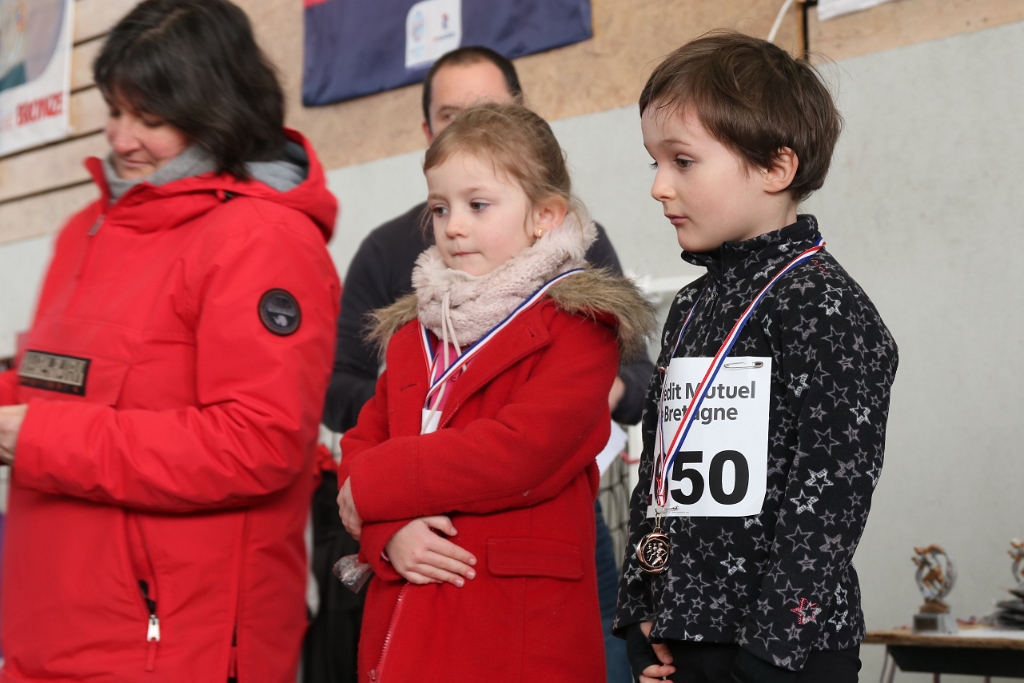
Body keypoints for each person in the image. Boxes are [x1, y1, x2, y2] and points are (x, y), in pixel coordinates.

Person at [0, 1, 340, 680]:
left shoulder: (262, 239)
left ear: (217, 110)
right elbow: (59, 379)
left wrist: (37, 438)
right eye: (114, 111)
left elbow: (257, 442)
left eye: (150, 120)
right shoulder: (86, 228)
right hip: (49, 628)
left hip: (173, 645)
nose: (121, 138)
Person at [312, 46, 649, 683]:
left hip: (513, 625)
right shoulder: (415, 329)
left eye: (478, 205)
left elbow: (520, 452)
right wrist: (386, 534)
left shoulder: (579, 322)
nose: (454, 227)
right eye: (440, 208)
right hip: (411, 610)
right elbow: (363, 434)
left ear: (544, 217)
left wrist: (374, 486)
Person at [614, 32, 899, 683]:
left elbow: (831, 498)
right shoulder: (691, 306)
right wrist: (640, 610)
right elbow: (659, 470)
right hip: (683, 634)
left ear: (775, 168)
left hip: (783, 653)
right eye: (653, 162)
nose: (658, 186)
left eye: (682, 161)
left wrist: (771, 651)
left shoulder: (823, 304)